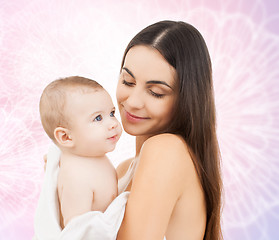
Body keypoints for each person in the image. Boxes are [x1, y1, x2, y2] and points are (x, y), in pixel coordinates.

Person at [115, 20, 223, 240]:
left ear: (187, 99)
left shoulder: (166, 150)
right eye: (127, 81)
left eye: (156, 92)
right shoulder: (124, 169)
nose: (133, 101)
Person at [38, 76, 123, 228]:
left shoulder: (92, 156)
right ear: (66, 137)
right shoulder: (76, 177)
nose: (113, 124)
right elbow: (77, 231)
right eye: (98, 118)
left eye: (111, 113)